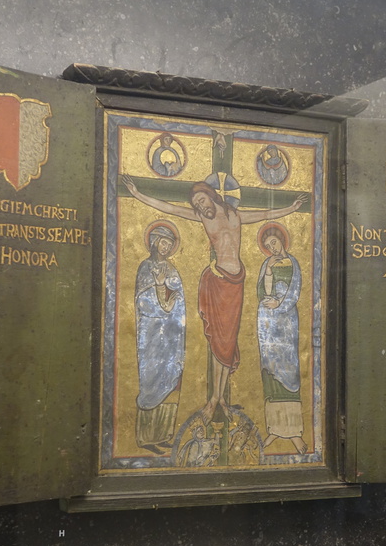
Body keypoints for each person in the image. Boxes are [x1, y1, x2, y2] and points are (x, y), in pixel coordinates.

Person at [121, 174, 306, 423]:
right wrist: (137, 194)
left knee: (228, 341)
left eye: (202, 200)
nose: (200, 206)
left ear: (212, 196)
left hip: (235, 283)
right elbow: (169, 208)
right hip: (216, 282)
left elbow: (265, 214)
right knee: (217, 341)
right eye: (196, 204)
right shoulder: (202, 219)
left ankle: (220, 398)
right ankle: (214, 399)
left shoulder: (236, 216)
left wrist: (292, 208)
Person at [133, 224, 185, 454]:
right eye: (163, 242)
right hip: (152, 335)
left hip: (172, 336)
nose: (165, 247)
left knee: (171, 378)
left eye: (169, 244)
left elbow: (179, 299)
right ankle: (147, 438)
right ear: (154, 242)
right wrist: (159, 287)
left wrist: (172, 303)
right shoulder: (145, 267)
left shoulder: (172, 269)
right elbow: (143, 302)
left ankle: (164, 434)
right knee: (152, 381)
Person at [256, 225, 306, 454]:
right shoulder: (267, 264)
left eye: (274, 243)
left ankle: (294, 433)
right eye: (268, 246)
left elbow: (294, 292)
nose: (272, 248)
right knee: (271, 374)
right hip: (268, 324)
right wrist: (268, 270)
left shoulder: (293, 263)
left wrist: (279, 303)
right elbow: (262, 293)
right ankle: (274, 429)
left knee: (289, 374)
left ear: (282, 240)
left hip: (286, 323)